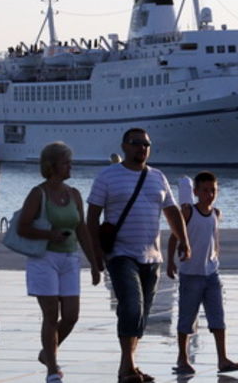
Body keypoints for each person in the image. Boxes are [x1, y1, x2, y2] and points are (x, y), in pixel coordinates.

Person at [86, 128, 191, 383]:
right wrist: (96, 253)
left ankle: (129, 367)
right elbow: (92, 216)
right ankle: (127, 367)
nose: (142, 148)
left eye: (146, 144)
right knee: (131, 306)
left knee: (142, 314)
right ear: (124, 146)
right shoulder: (108, 176)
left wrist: (184, 242)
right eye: (136, 144)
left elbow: (172, 212)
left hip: (151, 257)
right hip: (121, 254)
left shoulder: (157, 176)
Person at [18, 142, 101, 383]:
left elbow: (82, 229)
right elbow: (23, 226)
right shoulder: (38, 193)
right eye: (66, 162)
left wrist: (94, 263)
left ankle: (47, 353)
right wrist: (48, 235)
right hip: (44, 259)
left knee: (72, 315)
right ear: (52, 165)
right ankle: (52, 368)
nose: (70, 166)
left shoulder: (74, 194)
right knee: (51, 314)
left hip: (69, 259)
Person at [166, 171, 238, 375]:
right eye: (205, 190)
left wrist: (216, 255)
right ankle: (182, 358)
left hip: (211, 274)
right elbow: (174, 236)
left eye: (213, 190)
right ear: (196, 192)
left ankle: (222, 358)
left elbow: (213, 238)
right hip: (191, 274)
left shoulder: (216, 213)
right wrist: (170, 262)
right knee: (186, 317)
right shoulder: (188, 212)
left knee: (217, 317)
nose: (209, 195)